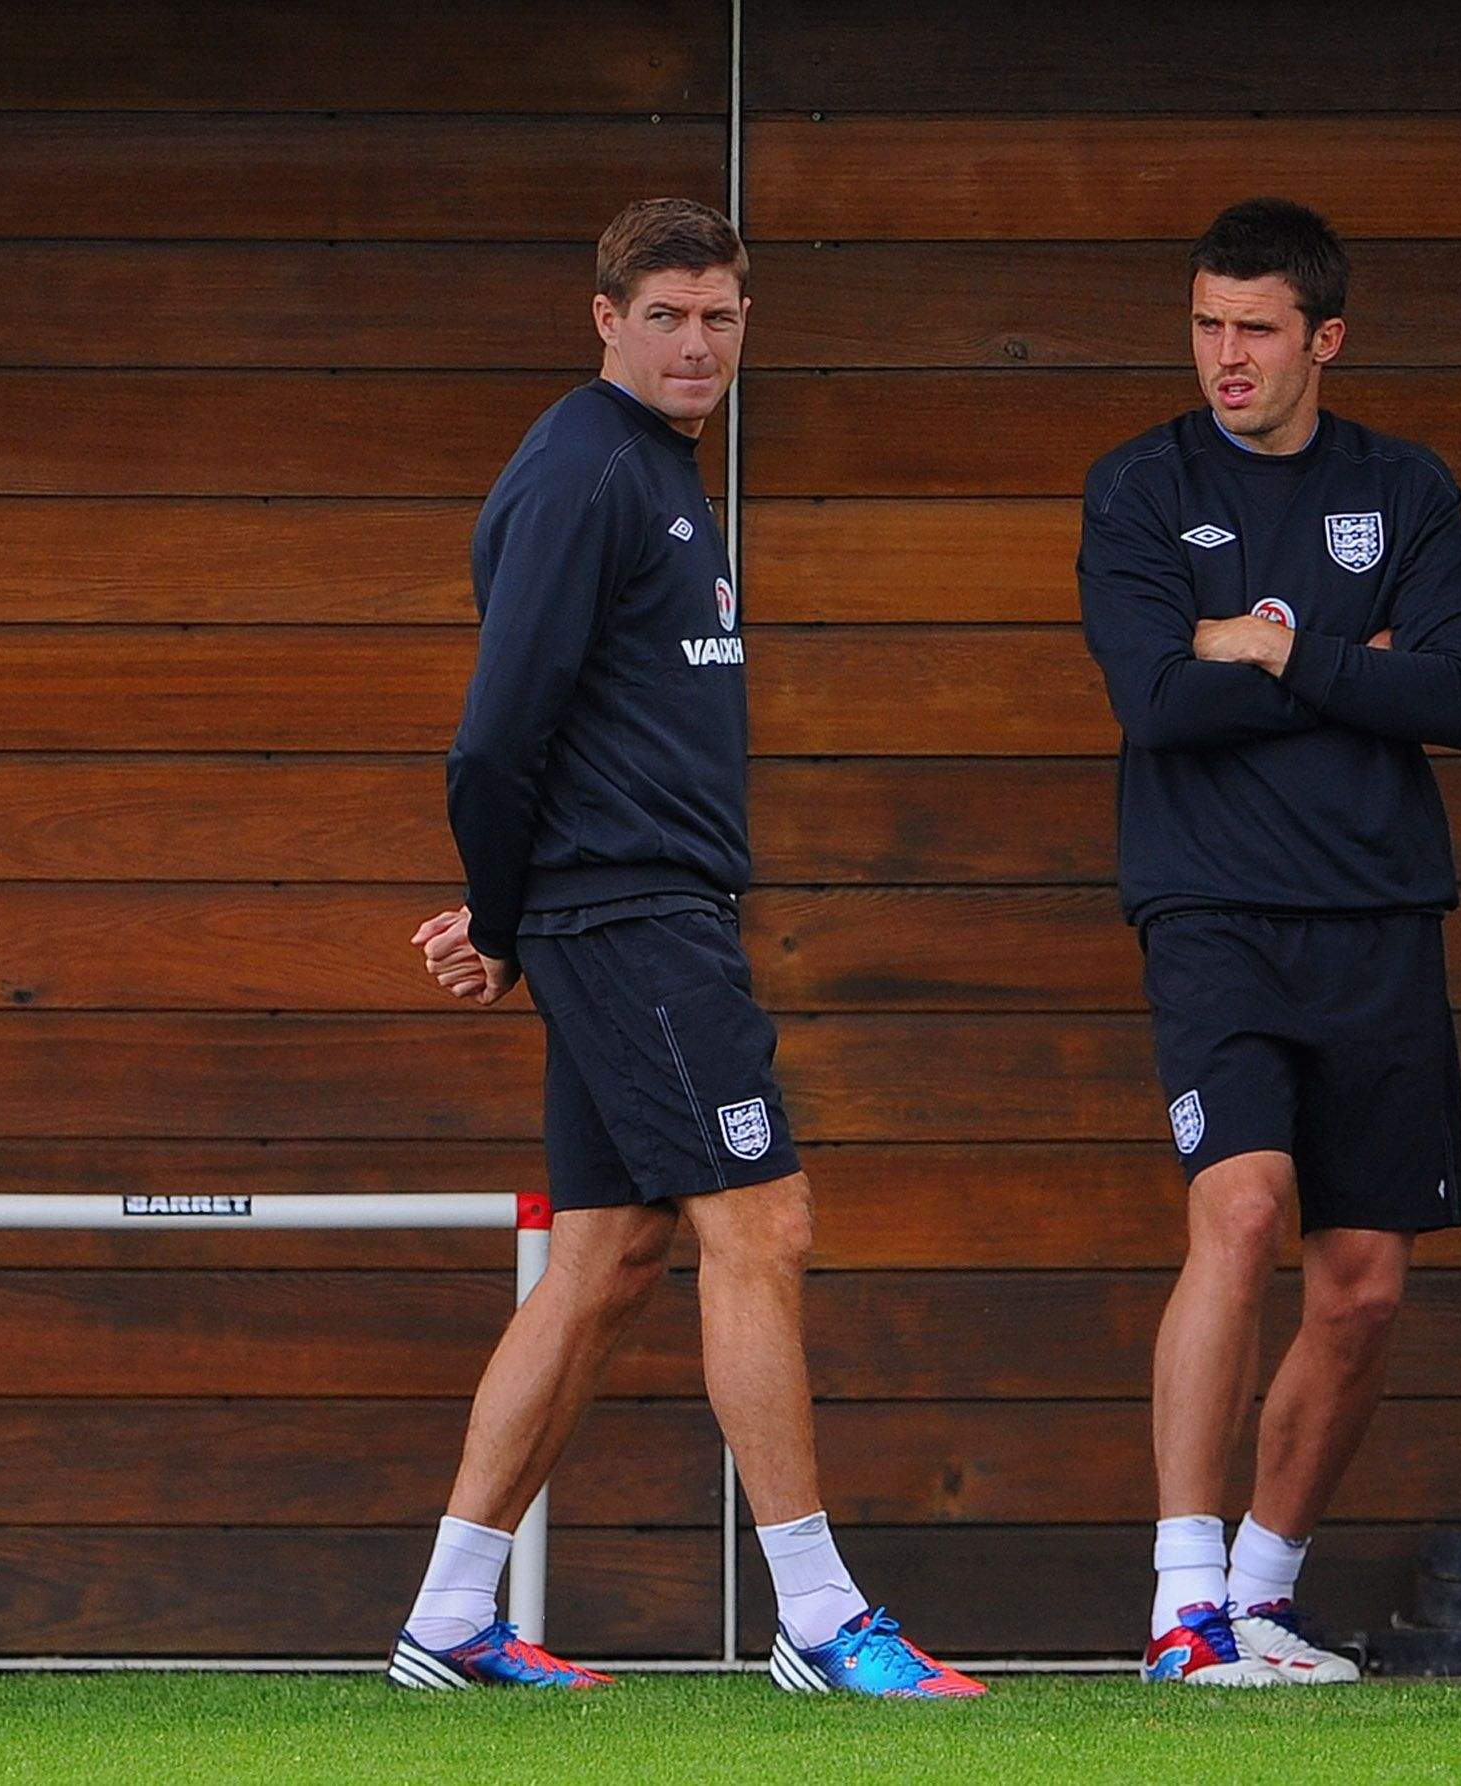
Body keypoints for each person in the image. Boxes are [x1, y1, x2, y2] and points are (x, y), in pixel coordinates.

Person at [383, 198, 980, 1701]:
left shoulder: (654, 470)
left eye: (721, 316)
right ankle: (821, 1615)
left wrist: (525, 916)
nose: (698, 343)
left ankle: (450, 1618)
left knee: (601, 1255)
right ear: (604, 318)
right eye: (667, 316)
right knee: (760, 1226)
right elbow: (491, 741)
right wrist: (513, 918)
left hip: (628, 915)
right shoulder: (586, 472)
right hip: (634, 923)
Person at [1077, 197, 1461, 1687]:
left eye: (1256, 328)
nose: (1225, 356)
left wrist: (1261, 642)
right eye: (1205, 324)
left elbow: (1456, 694)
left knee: (1365, 1281)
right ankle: (1182, 1603)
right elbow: (1154, 701)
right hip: (1211, 907)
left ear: (1325, 336)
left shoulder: (1408, 486)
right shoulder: (1138, 490)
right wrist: (1348, 667)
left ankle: (1263, 1592)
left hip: (1380, 910)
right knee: (1241, 1211)